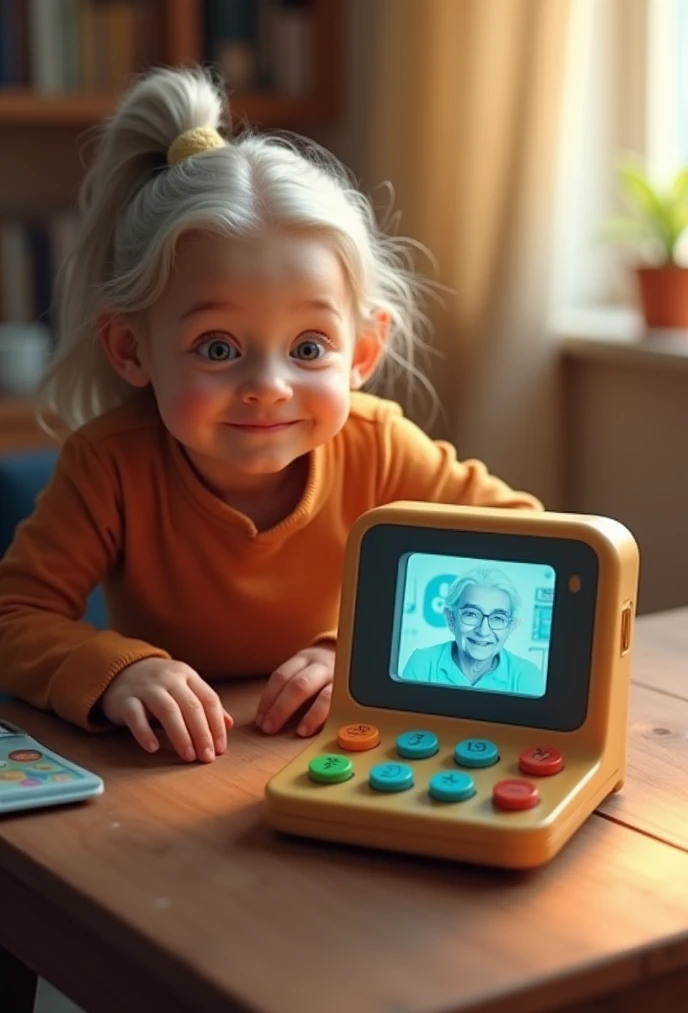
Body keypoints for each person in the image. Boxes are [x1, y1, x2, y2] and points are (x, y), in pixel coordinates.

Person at [0, 67, 542, 765]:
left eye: (309, 347)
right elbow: (13, 618)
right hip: (171, 777)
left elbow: (533, 549)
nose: (268, 386)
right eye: (218, 347)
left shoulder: (379, 447)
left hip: (336, 756)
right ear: (133, 349)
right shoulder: (110, 464)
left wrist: (358, 654)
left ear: (364, 350)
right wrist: (118, 669)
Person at [402, 567, 545, 695]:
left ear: (511, 627)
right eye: (471, 614)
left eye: (497, 618)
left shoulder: (528, 676)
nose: (483, 631)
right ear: (451, 618)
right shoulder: (423, 663)